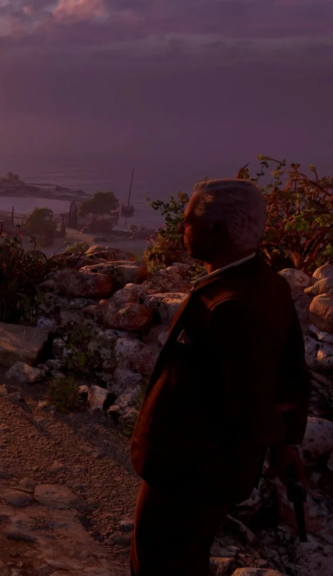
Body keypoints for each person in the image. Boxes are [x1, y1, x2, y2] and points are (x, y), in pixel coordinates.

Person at [129, 178, 312, 575]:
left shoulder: (233, 304)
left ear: (218, 230)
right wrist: (286, 444)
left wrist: (274, 438)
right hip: (205, 474)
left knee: (160, 564)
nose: (182, 230)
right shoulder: (267, 284)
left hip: (189, 473)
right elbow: (292, 371)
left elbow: (247, 406)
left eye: (189, 221)